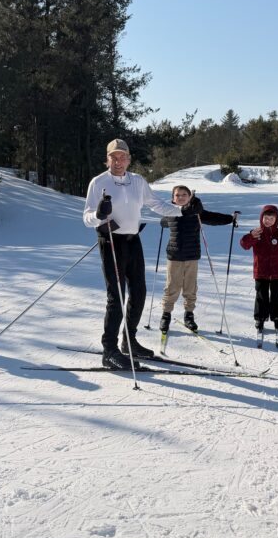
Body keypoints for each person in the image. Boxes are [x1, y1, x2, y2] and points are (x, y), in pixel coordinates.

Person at [83, 139, 198, 369]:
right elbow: (87, 218)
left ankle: (129, 341)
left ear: (128, 159)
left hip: (133, 240)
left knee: (139, 293)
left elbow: (157, 204)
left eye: (122, 157)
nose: (118, 161)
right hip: (111, 242)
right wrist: (97, 213)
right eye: (113, 157)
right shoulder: (99, 182)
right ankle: (110, 350)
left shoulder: (137, 181)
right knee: (116, 297)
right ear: (107, 159)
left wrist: (182, 210)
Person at [158, 186, 237, 335]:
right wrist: (163, 222)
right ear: (173, 198)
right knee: (172, 287)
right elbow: (163, 221)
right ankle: (166, 315)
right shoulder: (169, 211)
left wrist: (230, 219)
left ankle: (189, 315)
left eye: (184, 195)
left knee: (190, 287)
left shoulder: (196, 213)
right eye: (177, 195)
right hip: (174, 256)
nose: (180, 197)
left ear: (189, 197)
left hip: (191, 256)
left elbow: (213, 218)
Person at [239, 204, 278, 347]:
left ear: (277, 219)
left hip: (277, 274)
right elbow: (244, 244)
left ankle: (277, 318)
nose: (268, 221)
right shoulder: (257, 233)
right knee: (261, 296)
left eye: (271, 218)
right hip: (261, 272)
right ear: (261, 218)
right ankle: (260, 318)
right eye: (266, 218)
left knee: (276, 296)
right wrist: (251, 236)